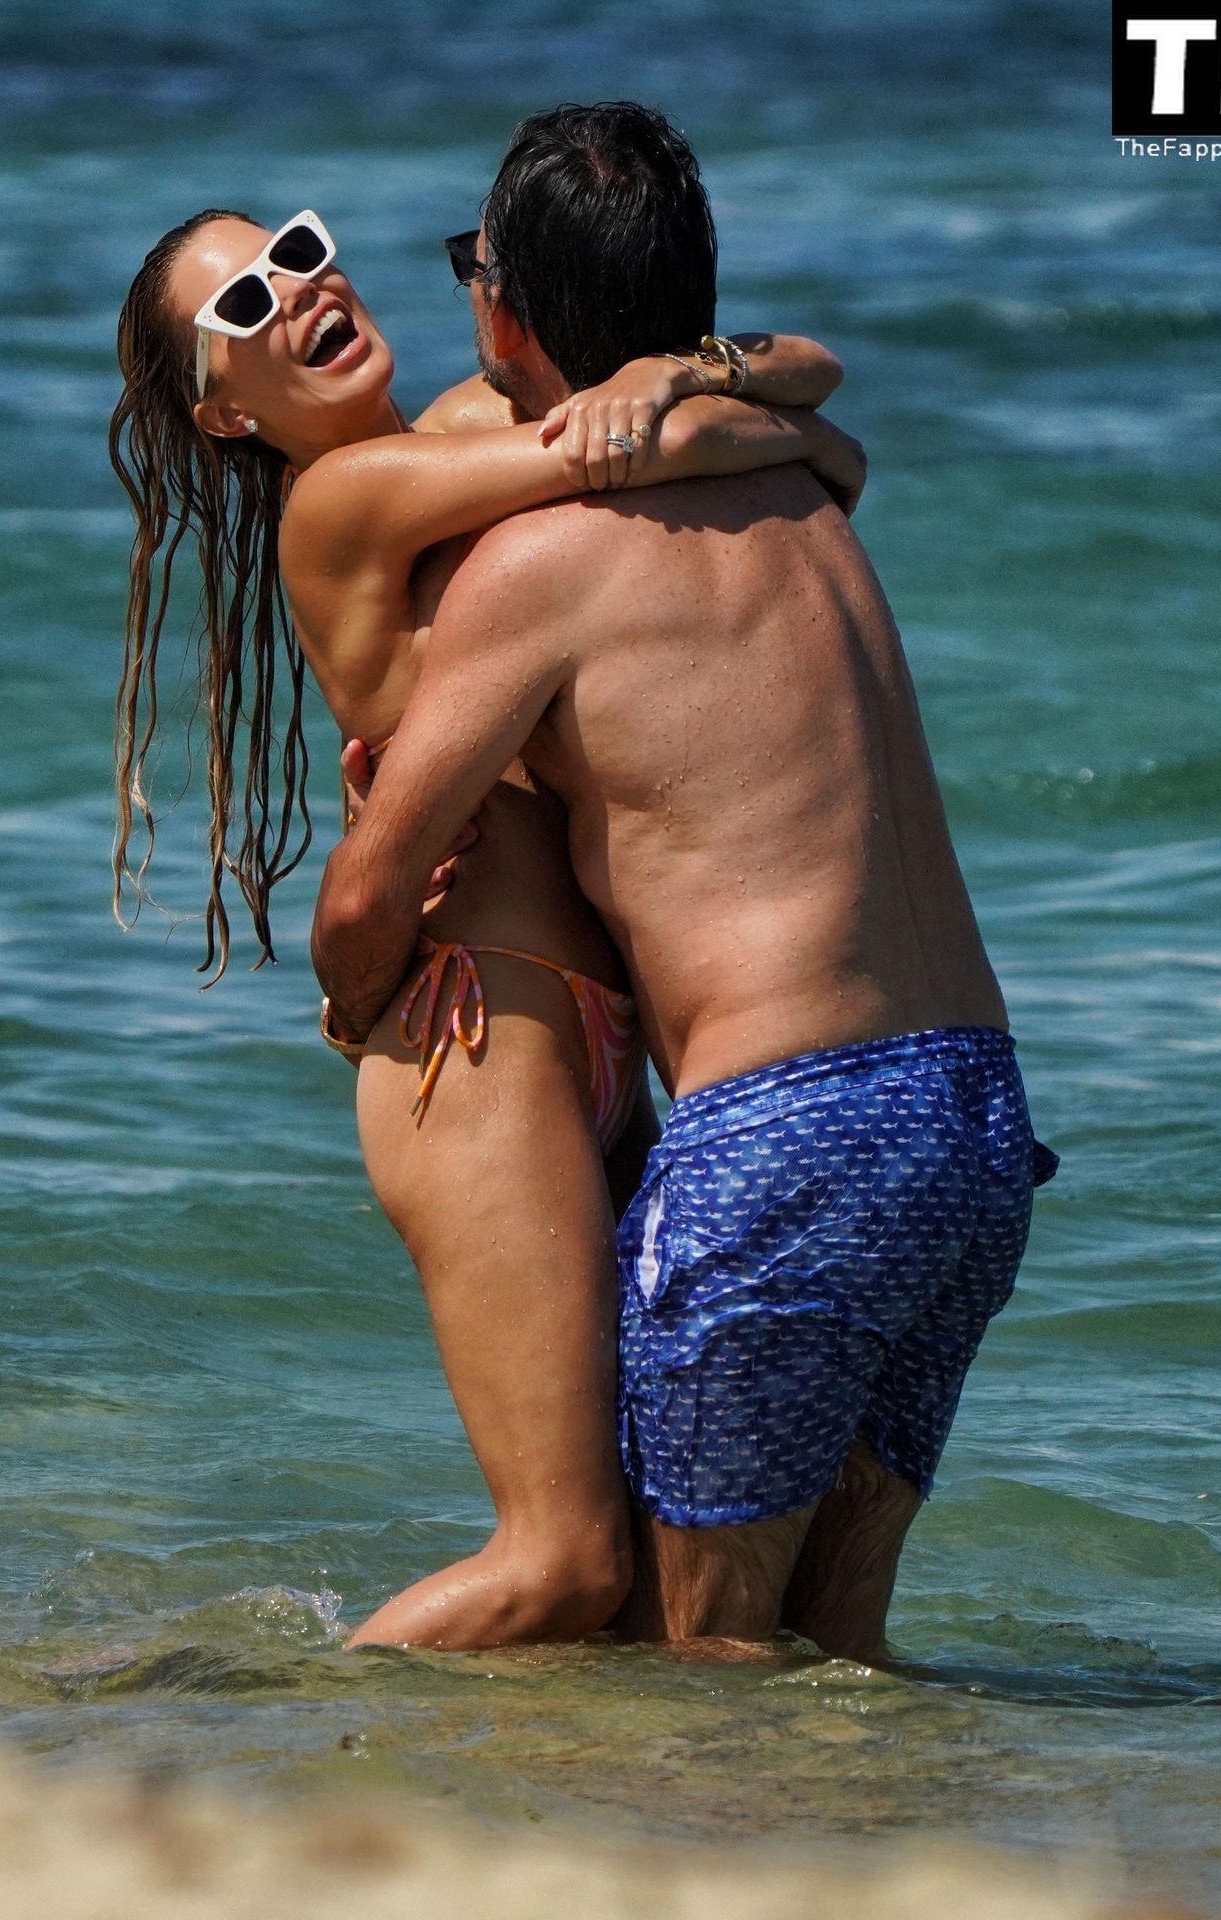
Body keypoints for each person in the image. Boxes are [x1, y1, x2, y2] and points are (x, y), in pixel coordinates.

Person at [313, 101, 1059, 1667]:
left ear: (503, 309)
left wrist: (357, 1007)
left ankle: (271, 1762)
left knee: (696, 1664)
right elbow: (815, 409)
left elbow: (369, 897)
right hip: (972, 1117)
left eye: (470, 271)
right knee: (839, 1654)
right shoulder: (806, 498)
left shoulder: (543, 563)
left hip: (785, 1127)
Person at [109, 141, 860, 1650]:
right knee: (564, 1562)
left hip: (595, 1028)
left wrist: (697, 375)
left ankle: (585, 1792)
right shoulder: (340, 501)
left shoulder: (464, 427)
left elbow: (810, 371)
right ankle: (249, 1734)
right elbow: (639, 454)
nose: (295, 290)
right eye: (244, 305)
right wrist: (774, 441)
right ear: (224, 411)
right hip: (473, 1032)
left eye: (296, 250)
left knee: (647, 1578)